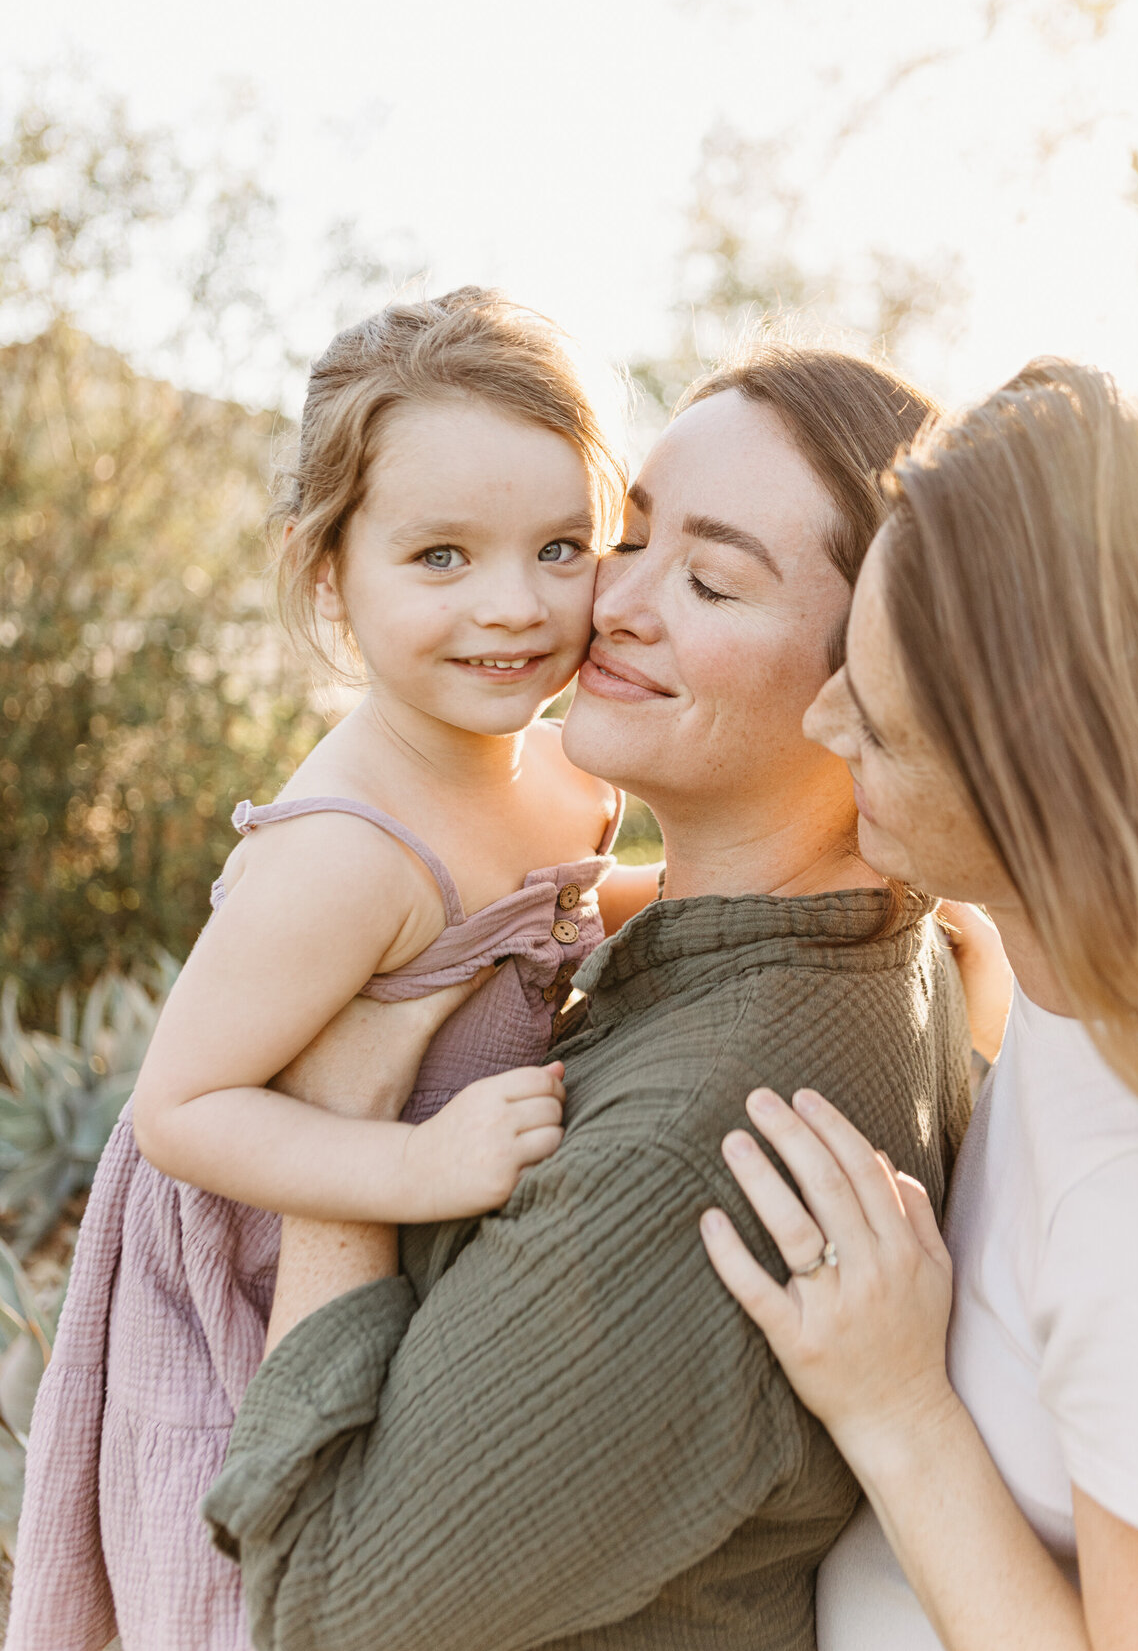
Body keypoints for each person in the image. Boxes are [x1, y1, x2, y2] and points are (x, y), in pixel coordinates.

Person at [201, 341, 974, 1651]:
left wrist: (339, 1139)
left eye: (713, 580)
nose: (613, 604)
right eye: (631, 536)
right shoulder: (868, 947)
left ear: (870, 685)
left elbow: (323, 1614)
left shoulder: (718, 1144)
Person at [7, 287, 651, 1651]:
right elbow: (184, 1112)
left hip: (410, 1258)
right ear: (328, 573)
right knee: (254, 1605)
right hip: (246, 1280)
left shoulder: (559, 763)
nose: (514, 607)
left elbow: (555, 917)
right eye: (440, 558)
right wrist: (414, 1174)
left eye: (560, 547)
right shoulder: (346, 855)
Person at [700, 359, 1138, 1649]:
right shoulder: (1069, 985)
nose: (821, 725)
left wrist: (894, 1407)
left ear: (1033, 788)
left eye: (878, 722)